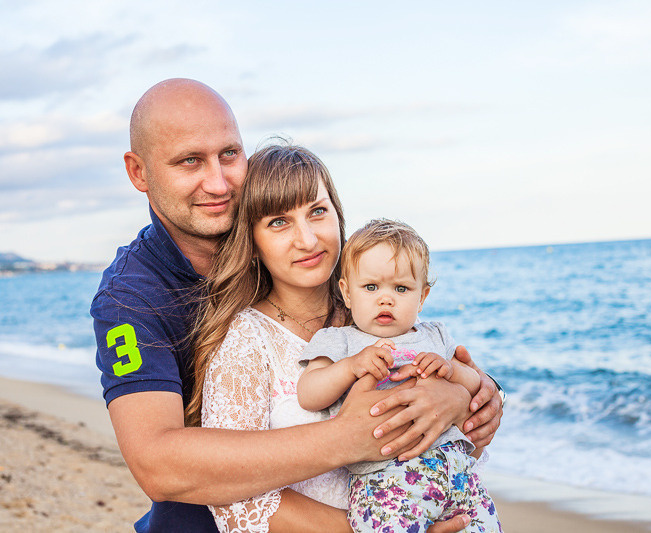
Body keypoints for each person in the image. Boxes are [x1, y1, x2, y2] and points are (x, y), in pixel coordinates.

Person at [92, 78, 504, 532]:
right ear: (139, 172)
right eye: (190, 161)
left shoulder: (345, 288)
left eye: (229, 154)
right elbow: (158, 465)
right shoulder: (130, 298)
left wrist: (466, 393)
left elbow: (435, 373)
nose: (219, 181)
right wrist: (347, 447)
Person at [188, 143, 502, 532]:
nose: (307, 239)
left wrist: (467, 396)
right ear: (251, 242)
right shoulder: (247, 342)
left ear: (338, 216)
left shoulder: (379, 316)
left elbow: (467, 434)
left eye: (317, 212)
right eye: (278, 222)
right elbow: (228, 492)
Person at [297, 219, 501, 532]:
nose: (386, 298)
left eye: (401, 288)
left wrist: (453, 370)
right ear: (347, 293)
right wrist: (350, 367)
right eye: (370, 287)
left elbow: (476, 386)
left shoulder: (435, 336)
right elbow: (309, 393)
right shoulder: (340, 341)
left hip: (459, 476)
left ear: (422, 297)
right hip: (386, 482)